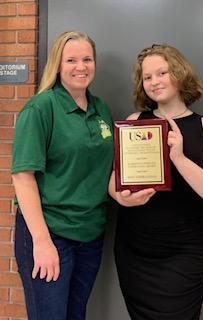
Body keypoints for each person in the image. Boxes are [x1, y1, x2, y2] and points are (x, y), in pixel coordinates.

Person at [108, 44, 203, 320]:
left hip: (182, 251)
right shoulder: (134, 122)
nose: (154, 82)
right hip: (134, 248)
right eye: (147, 77)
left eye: (161, 73)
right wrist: (120, 197)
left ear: (178, 73)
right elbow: (115, 180)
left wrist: (180, 158)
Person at [12, 31, 114, 320]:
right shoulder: (41, 108)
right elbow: (23, 177)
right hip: (50, 233)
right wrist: (41, 242)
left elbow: (104, 169)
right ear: (57, 64)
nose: (80, 67)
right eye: (71, 60)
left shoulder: (101, 109)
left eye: (87, 59)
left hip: (90, 233)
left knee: (75, 315)